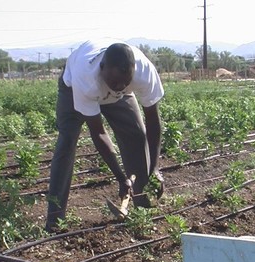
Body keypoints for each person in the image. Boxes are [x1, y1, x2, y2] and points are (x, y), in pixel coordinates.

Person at [45, 39, 165, 232]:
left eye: (125, 82)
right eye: (115, 81)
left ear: (133, 71)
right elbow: (98, 132)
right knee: (67, 141)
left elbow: (153, 121)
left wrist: (155, 168)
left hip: (114, 93)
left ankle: (143, 210)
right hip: (73, 89)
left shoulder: (144, 72)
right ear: (102, 68)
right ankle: (54, 220)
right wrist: (120, 177)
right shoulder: (86, 78)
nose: (118, 86)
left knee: (137, 135)